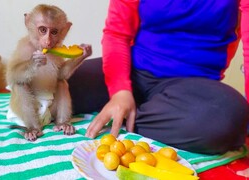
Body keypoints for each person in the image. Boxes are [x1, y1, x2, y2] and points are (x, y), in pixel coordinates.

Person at [68, 0, 249, 154]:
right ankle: (136, 110)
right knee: (53, 85)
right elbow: (116, 34)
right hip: (132, 69)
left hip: (194, 86)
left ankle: (129, 114)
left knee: (228, 121)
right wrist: (120, 92)